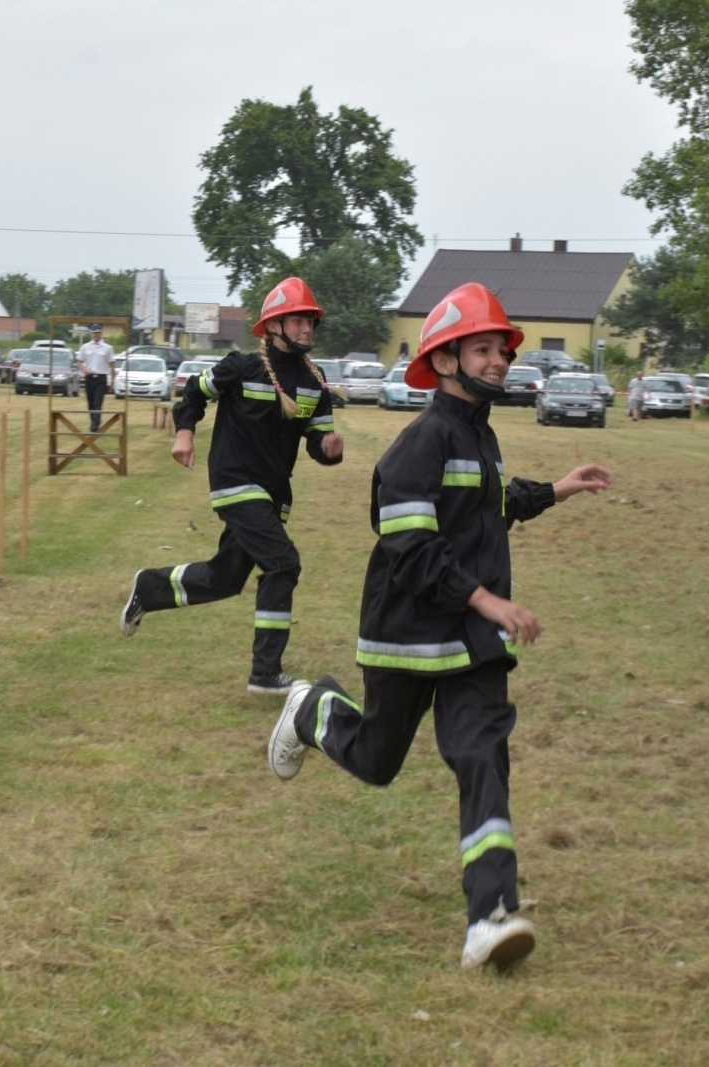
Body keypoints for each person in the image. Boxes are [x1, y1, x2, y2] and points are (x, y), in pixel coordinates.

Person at [264, 283, 611, 970]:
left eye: (502, 351)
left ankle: (490, 914)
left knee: (482, 757)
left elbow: (491, 503)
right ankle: (313, 711)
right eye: (483, 349)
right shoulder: (419, 443)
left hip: (474, 646)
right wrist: (486, 600)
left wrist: (558, 490)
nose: (498, 362)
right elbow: (411, 546)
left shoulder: (480, 436)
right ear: (446, 360)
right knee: (375, 761)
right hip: (408, 634)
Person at [119, 277, 344, 695]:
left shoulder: (315, 383)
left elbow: (317, 442)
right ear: (273, 326)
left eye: (311, 322)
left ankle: (149, 588)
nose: (306, 330)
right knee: (284, 563)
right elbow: (193, 392)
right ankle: (265, 673)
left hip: (275, 493)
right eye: (297, 321)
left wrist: (329, 448)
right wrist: (184, 432)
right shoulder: (241, 366)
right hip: (236, 484)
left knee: (226, 577)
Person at [76, 323, 115, 433]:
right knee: (91, 404)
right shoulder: (85, 347)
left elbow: (112, 365)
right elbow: (79, 361)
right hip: (89, 378)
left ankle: (95, 426)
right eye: (94, 333)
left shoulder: (108, 348)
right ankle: (94, 422)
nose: (96, 335)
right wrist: (84, 369)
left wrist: (112, 383)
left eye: (98, 333)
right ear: (91, 334)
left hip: (101, 378)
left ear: (101, 333)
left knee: (98, 403)